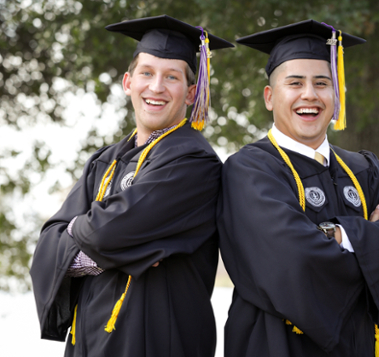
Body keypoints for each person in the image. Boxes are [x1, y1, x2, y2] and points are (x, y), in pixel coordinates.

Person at [217, 20, 379, 357]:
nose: (310, 94)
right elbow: (293, 261)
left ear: (336, 94)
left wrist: (333, 236)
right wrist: (370, 241)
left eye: (322, 83)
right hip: (276, 346)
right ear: (270, 97)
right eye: (295, 83)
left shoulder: (364, 169)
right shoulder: (249, 169)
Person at [30, 15, 233, 357]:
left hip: (157, 342)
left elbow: (102, 236)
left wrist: (80, 234)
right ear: (128, 82)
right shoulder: (104, 161)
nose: (156, 87)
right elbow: (47, 247)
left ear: (192, 92)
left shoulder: (194, 163)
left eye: (172, 77)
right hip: (89, 341)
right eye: (147, 73)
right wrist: (117, 249)